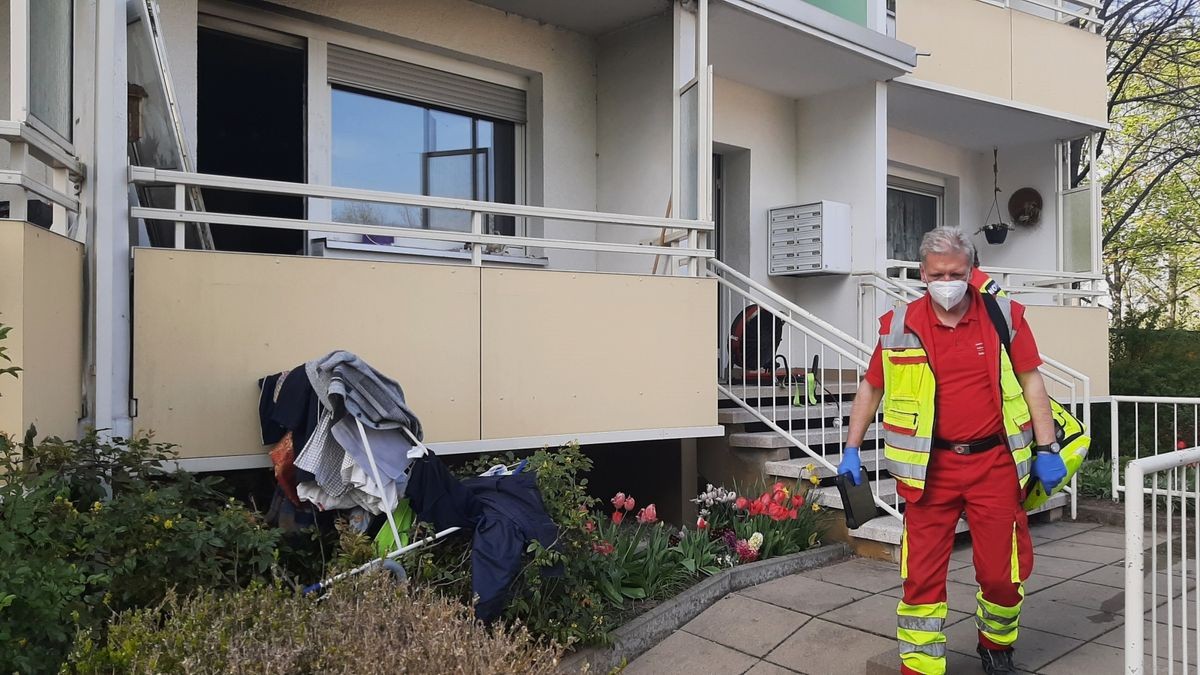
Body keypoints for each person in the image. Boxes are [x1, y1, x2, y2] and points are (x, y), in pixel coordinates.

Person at [838, 227, 1066, 675]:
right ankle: (920, 666)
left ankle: (996, 644)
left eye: (956, 273)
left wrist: (1046, 446)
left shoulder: (1005, 316)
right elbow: (871, 387)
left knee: (1002, 572)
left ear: (971, 271)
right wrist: (851, 448)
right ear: (922, 273)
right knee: (921, 575)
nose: (947, 281)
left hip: (995, 465)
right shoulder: (898, 325)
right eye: (938, 273)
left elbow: (1031, 381)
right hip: (928, 470)